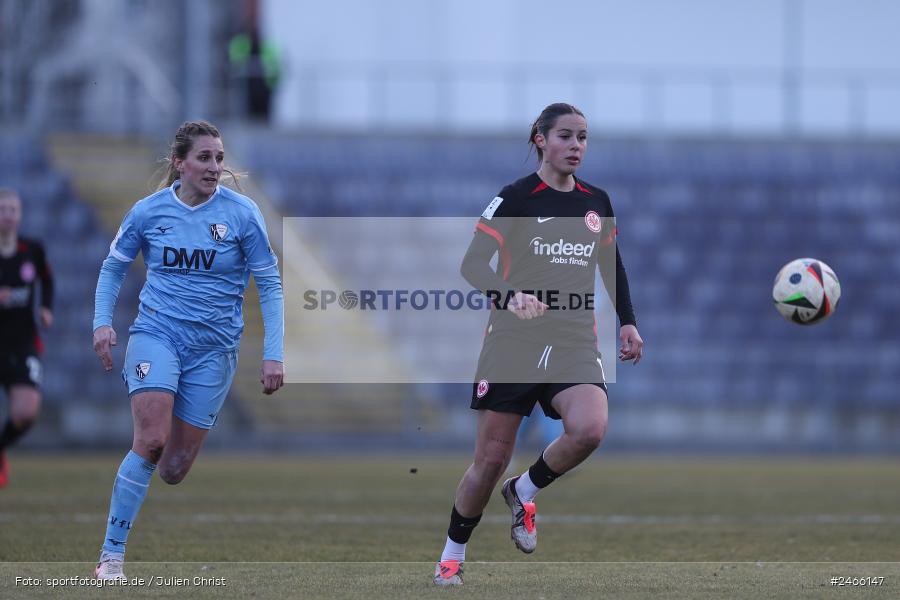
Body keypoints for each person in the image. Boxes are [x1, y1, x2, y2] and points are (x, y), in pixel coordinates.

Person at [433, 103, 644, 585]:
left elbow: (612, 266)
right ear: (540, 140)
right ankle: (451, 556)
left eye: (583, 138)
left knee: (590, 428)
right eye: (566, 136)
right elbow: (472, 266)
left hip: (572, 338)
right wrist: (511, 296)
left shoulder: (597, 202)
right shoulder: (515, 198)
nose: (576, 146)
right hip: (513, 343)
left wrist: (627, 323)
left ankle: (524, 491)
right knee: (488, 462)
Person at [91, 121, 284, 580]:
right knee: (152, 439)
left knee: (174, 467)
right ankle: (111, 556)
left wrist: (273, 352)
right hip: (156, 335)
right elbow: (113, 267)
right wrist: (102, 323)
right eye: (204, 158)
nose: (215, 167)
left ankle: (145, 473)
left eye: (219, 158)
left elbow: (270, 283)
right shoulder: (148, 212)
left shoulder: (242, 214)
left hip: (214, 350)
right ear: (179, 162)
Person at [0, 189, 54, 488]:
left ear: (19, 215)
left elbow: (47, 278)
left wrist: (46, 307)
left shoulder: (32, 249)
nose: (7, 215)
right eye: (2, 209)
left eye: (12, 210)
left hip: (22, 343)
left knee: (26, 413)